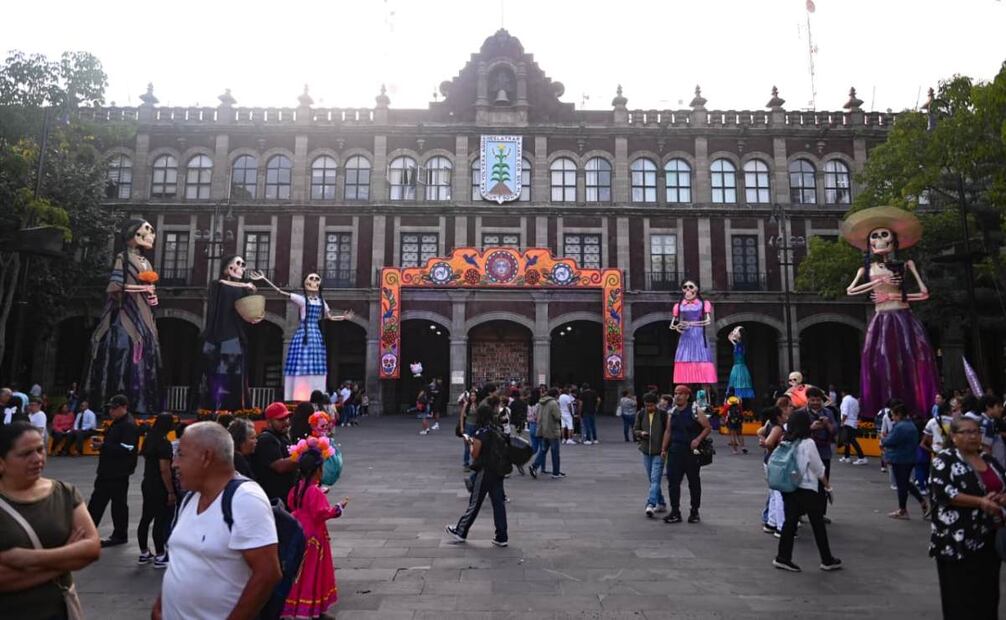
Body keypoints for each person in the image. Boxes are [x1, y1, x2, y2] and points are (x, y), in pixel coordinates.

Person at [154, 422, 280, 620]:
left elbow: (268, 574)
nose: (174, 463)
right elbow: (179, 560)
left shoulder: (245, 499)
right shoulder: (190, 498)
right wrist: (160, 607)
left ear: (206, 457)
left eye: (181, 454)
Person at [842, 206, 939, 424]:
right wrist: (875, 284)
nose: (879, 240)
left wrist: (898, 298)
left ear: (893, 240)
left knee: (911, 357)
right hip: (881, 319)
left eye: (884, 235)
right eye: (874, 236)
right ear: (870, 243)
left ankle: (917, 405)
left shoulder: (906, 265)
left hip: (902, 316)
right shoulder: (865, 270)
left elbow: (923, 294)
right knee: (880, 359)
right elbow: (851, 290)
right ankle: (882, 406)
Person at [0, 421, 101, 620]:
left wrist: (26, 559)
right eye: (25, 454)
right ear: (2, 462)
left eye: (40, 450)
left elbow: (91, 548)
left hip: (58, 612)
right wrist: (66, 558)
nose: (37, 458)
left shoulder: (64, 493)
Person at [929, 416, 1006, 619]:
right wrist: (980, 502)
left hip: (989, 539)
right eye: (966, 432)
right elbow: (944, 493)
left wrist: (1000, 498)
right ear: (953, 436)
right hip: (956, 542)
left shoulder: (988, 459)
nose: (973, 436)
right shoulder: (944, 459)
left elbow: (1002, 484)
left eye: (976, 431)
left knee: (988, 596)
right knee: (960, 599)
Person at [85, 219, 161, 414]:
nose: (151, 234)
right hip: (126, 312)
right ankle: (120, 400)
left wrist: (152, 297)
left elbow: (148, 291)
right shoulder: (123, 257)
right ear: (132, 234)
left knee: (146, 353)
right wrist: (142, 287)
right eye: (147, 229)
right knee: (125, 352)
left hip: (144, 314)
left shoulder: (146, 262)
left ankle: (144, 402)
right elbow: (115, 286)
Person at [251, 271, 353, 401]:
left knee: (315, 359)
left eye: (317, 279)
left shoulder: (321, 301)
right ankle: (298, 393)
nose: (314, 281)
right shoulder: (302, 299)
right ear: (305, 283)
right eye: (311, 278)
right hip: (305, 332)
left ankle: (315, 390)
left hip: (315, 332)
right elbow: (281, 292)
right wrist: (265, 279)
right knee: (301, 357)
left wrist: (344, 317)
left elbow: (330, 317)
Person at [283, 444, 349, 619]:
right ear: (317, 470)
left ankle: (298, 606)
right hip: (314, 535)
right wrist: (338, 508)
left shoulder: (296, 488)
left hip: (299, 531)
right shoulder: (314, 492)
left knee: (300, 571)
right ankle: (308, 608)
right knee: (312, 571)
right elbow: (322, 513)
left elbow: (291, 504)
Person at [772, 410, 842, 573]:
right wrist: (828, 487)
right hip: (807, 488)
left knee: (790, 523)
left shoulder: (786, 440)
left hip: (789, 487)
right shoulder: (808, 443)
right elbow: (818, 469)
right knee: (817, 524)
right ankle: (827, 559)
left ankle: (783, 557)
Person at [195, 255, 260, 412]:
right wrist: (246, 285)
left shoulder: (243, 289)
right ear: (228, 268)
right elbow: (222, 284)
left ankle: (235, 407)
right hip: (218, 336)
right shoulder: (218, 285)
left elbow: (246, 310)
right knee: (218, 371)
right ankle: (216, 406)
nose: (242, 268)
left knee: (236, 373)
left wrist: (253, 316)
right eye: (238, 264)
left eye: (243, 264)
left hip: (235, 335)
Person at [445, 404, 509, 546]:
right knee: (498, 503)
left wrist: (470, 443)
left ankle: (461, 531)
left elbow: (475, 453)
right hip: (498, 470)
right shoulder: (497, 429)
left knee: (475, 503)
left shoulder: (481, 432)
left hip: (485, 470)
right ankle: (502, 536)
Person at [86, 394, 139, 547]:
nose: (112, 411)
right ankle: (111, 533)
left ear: (124, 407)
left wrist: (104, 446)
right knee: (106, 502)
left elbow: (127, 448)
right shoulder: (119, 422)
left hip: (117, 471)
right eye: (111, 408)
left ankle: (115, 534)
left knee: (108, 503)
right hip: (110, 470)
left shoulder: (128, 425)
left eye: (115, 408)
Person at [660, 385, 711, 524]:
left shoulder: (695, 410)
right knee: (673, 482)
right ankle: (675, 511)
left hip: (691, 452)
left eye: (681, 394)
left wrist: (698, 439)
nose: (677, 396)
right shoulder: (672, 412)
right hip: (675, 450)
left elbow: (707, 427)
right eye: (676, 393)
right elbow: (668, 431)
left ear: (687, 396)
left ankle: (694, 511)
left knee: (693, 482)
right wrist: (664, 449)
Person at [137, 413, 175, 568]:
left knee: (146, 518)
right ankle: (160, 554)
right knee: (160, 519)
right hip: (159, 485)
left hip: (147, 482)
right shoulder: (164, 443)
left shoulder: (149, 439)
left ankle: (144, 552)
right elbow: (164, 469)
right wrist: (171, 491)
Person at [881, 402, 929, 520]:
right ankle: (921, 502)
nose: (892, 418)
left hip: (900, 458)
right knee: (905, 483)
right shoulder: (910, 425)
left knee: (902, 485)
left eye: (893, 415)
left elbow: (888, 441)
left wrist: (883, 438)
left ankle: (903, 509)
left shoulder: (901, 427)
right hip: (908, 457)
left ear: (899, 414)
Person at [670, 280, 717, 385]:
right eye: (685, 287)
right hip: (686, 334)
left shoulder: (704, 304)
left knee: (701, 357)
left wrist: (692, 324)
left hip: (698, 333)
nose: (688, 289)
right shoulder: (678, 305)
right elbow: (672, 325)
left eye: (691, 286)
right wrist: (678, 326)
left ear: (696, 289)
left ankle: (703, 383)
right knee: (685, 357)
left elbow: (708, 321)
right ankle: (686, 381)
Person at [801, 387, 837, 521]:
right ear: (808, 400)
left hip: (823, 452)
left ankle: (820, 514)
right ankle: (801, 512)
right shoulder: (802, 413)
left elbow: (834, 431)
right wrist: (811, 428)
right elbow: (796, 432)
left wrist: (827, 424)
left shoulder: (828, 413)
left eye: (818, 400)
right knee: (805, 483)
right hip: (805, 453)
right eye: (812, 400)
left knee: (823, 482)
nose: (815, 402)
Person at [251, 402, 298, 505]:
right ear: (269, 422)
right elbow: (280, 466)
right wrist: (304, 455)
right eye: (280, 419)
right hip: (273, 500)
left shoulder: (283, 436)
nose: (286, 422)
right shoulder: (266, 439)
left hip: (286, 497)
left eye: (287, 418)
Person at [758, 396, 793, 536]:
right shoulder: (778, 428)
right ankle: (781, 526)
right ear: (780, 415)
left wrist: (764, 441)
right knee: (779, 495)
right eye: (788, 409)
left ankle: (771, 522)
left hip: (770, 462)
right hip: (776, 463)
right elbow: (768, 442)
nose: (788, 414)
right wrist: (773, 449)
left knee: (774, 494)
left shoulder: (769, 424)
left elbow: (760, 434)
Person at [634, 393, 668, 517]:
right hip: (646, 451)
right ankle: (662, 502)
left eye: (652, 405)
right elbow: (635, 429)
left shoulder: (663, 415)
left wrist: (665, 448)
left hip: (659, 451)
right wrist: (641, 433)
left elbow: (667, 432)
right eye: (647, 406)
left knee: (655, 479)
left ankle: (651, 504)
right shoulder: (641, 414)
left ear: (656, 403)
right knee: (652, 479)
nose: (649, 408)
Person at [529, 387, 562, 479]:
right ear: (555, 395)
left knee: (543, 450)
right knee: (555, 452)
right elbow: (557, 416)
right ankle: (556, 473)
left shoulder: (540, 403)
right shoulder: (553, 403)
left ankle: (534, 466)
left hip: (543, 430)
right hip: (552, 430)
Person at [838, 387, 867, 465]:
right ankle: (846, 457)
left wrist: (842, 421)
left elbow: (845, 412)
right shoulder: (855, 400)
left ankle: (862, 457)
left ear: (843, 393)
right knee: (847, 440)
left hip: (847, 422)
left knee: (851, 440)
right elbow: (857, 411)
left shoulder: (845, 400)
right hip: (853, 421)